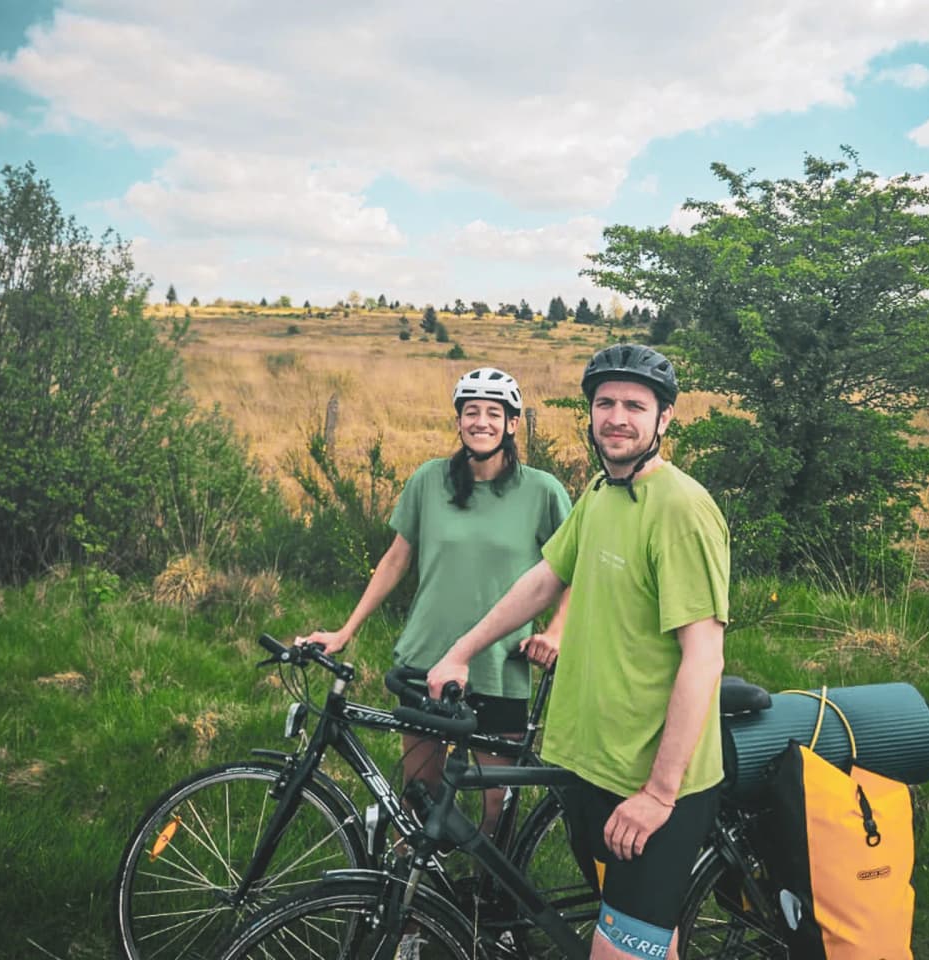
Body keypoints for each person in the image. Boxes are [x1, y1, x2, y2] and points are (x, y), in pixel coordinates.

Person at [428, 344, 729, 960]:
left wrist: (658, 796)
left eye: (634, 406)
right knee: (647, 943)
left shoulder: (681, 509)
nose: (616, 417)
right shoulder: (600, 491)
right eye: (604, 403)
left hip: (649, 783)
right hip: (589, 764)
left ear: (664, 419)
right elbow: (543, 579)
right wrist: (461, 649)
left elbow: (704, 658)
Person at [296, 366, 572, 836]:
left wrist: (555, 632)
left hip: (499, 665)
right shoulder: (428, 480)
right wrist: (346, 631)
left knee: (496, 803)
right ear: (459, 421)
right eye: (471, 412)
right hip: (427, 657)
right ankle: (421, 899)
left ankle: (488, 901)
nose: (481, 422)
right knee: (418, 795)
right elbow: (395, 560)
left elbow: (570, 571)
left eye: (493, 413)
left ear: (511, 423)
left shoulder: (542, 491)